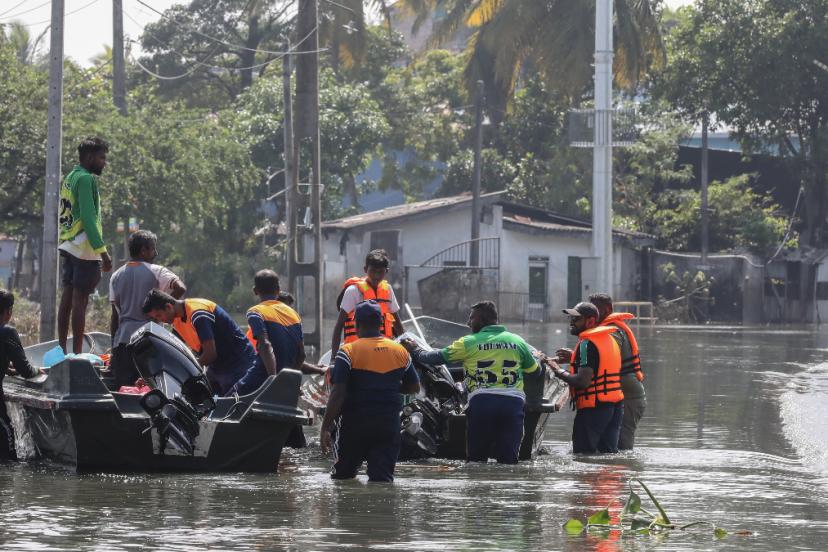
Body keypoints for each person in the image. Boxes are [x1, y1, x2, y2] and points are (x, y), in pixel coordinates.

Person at [403, 301, 538, 464]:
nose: (468, 323)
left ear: (482, 319)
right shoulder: (517, 341)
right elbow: (534, 371)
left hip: (483, 403)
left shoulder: (468, 342)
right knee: (509, 461)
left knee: (476, 460)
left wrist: (415, 349)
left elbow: (434, 358)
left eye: (472, 318)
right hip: (513, 404)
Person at [320, 301, 420, 482]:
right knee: (382, 481)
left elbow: (338, 393)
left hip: (354, 425)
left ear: (356, 324)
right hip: (388, 425)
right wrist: (388, 387)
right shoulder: (400, 351)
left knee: (342, 478)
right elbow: (414, 387)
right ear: (381, 323)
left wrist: (325, 427)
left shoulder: (348, 352)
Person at [109, 230, 186, 389]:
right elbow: (180, 288)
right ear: (143, 251)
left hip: (123, 343)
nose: (155, 253)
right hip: (151, 341)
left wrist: (113, 351)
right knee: (152, 391)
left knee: (124, 391)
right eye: (153, 249)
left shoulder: (115, 276)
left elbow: (114, 318)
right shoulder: (157, 271)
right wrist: (162, 306)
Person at [57, 137, 113, 354]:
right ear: (89, 157)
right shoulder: (86, 179)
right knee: (80, 300)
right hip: (84, 247)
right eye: (101, 158)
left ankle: (62, 350)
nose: (104, 162)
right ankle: (78, 355)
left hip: (69, 244)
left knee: (67, 298)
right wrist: (104, 253)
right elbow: (89, 219)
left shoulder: (70, 177)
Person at [142, 290, 255, 396]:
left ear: (168, 306)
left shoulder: (198, 313)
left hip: (239, 364)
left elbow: (210, 354)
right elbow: (172, 352)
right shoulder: (176, 319)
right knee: (197, 398)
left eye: (159, 315)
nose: (160, 320)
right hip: (218, 367)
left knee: (230, 404)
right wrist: (154, 374)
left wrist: (183, 371)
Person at [545, 302, 624, 454]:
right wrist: (574, 358)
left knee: (582, 455)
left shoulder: (586, 344)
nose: (571, 322)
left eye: (576, 318)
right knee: (607, 455)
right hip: (615, 407)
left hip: (594, 408)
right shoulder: (609, 338)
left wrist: (557, 370)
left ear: (590, 321)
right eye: (570, 318)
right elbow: (599, 365)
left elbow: (582, 381)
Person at [231, 269, 324, 397]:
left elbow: (265, 345)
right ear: (278, 289)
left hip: (261, 377)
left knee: (228, 398)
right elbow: (301, 354)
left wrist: (273, 380)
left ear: (255, 291)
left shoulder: (255, 312)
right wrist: (290, 380)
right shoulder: (294, 314)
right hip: (284, 380)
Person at [588, 293, 645, 450]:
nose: (593, 313)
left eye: (596, 309)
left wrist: (576, 358)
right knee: (610, 447)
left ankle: (624, 467)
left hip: (629, 398)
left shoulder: (613, 331)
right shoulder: (610, 329)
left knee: (622, 447)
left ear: (608, 310)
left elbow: (607, 356)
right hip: (622, 395)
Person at [330, 249, 404, 359]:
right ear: (365, 269)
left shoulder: (388, 289)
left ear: (386, 271)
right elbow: (339, 325)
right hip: (357, 352)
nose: (376, 276)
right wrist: (333, 358)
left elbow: (397, 323)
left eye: (380, 272)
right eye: (372, 271)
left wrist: (405, 348)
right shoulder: (353, 291)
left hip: (383, 351)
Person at [0, 290, 43, 460]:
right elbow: (26, 370)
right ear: (8, 311)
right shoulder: (7, 332)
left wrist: (6, 368)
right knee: (8, 455)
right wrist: (37, 370)